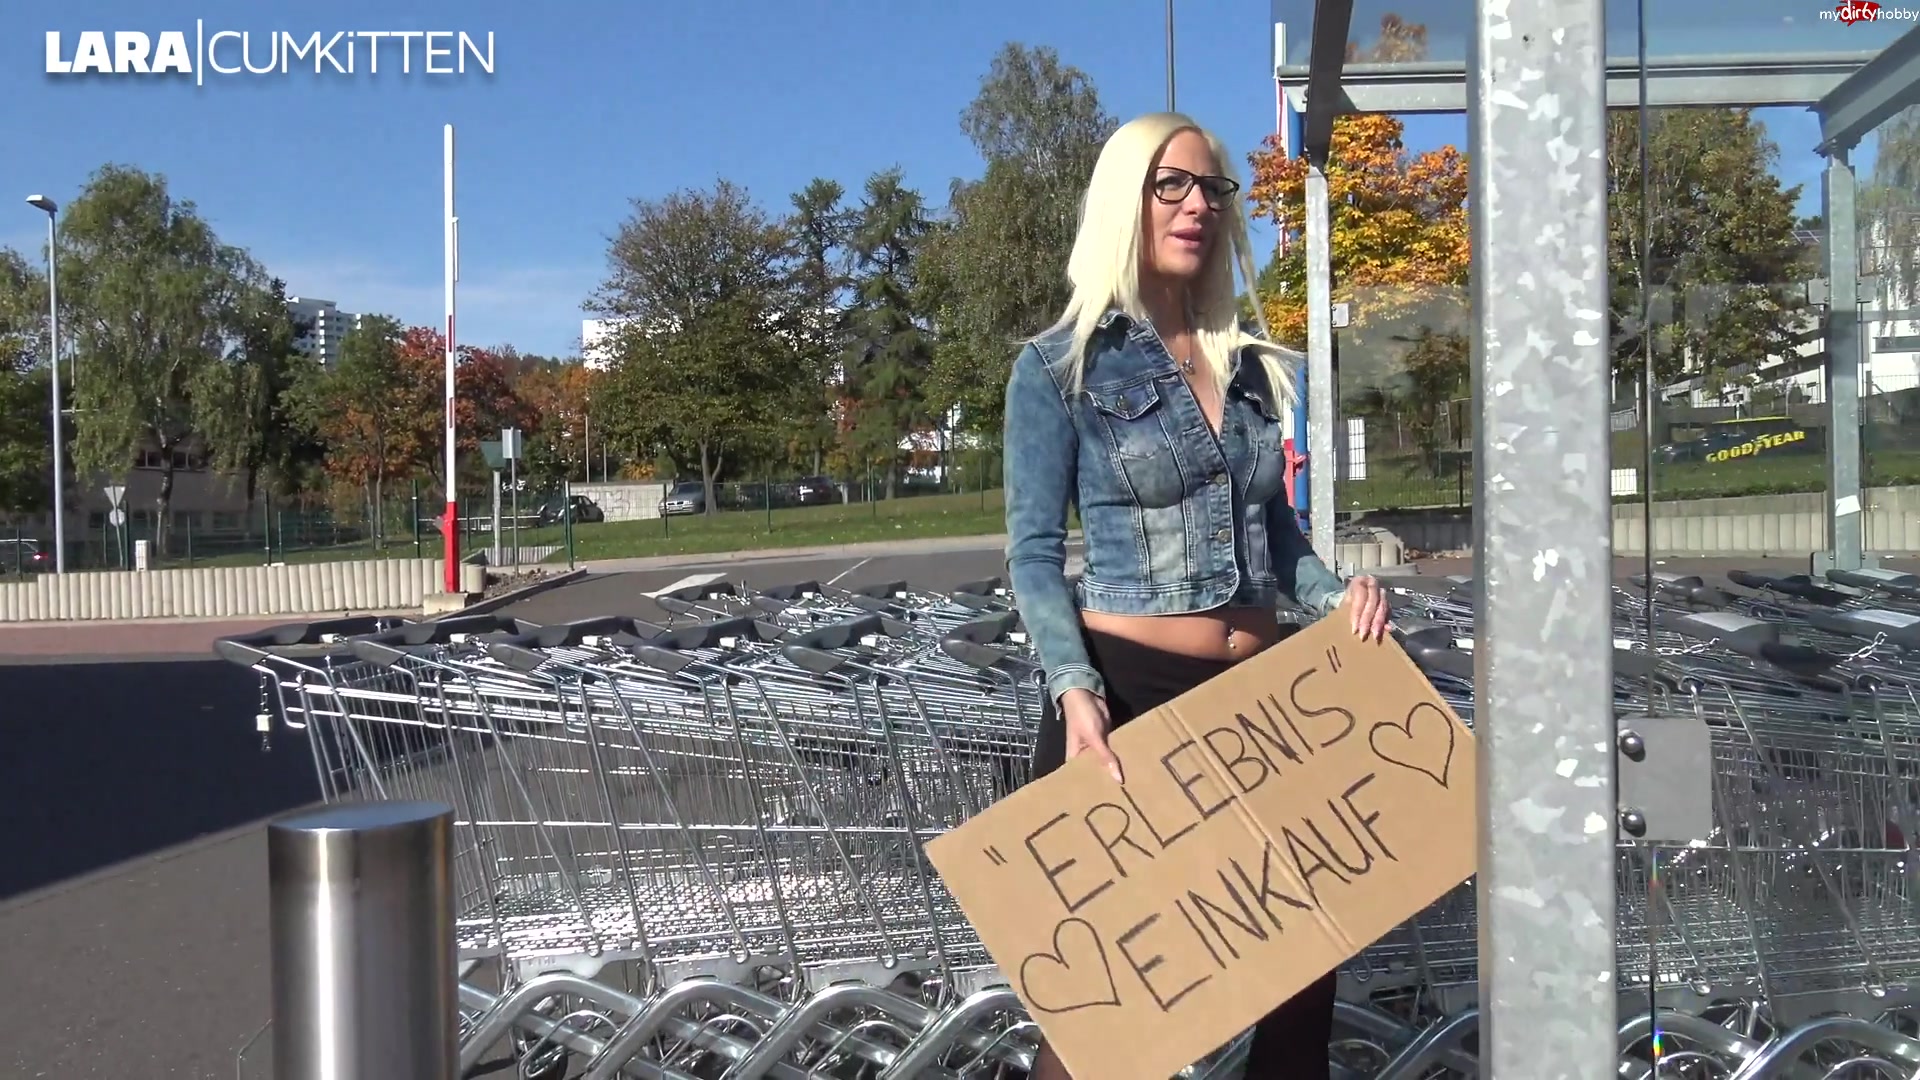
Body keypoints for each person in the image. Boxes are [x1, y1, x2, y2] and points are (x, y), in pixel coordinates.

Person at [999, 111, 1392, 1079]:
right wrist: (1074, 687)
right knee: (1112, 1015)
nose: (1196, 207)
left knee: (1301, 979)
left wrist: (1338, 596)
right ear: (1122, 202)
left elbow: (1277, 531)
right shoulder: (1058, 367)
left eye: (1212, 189)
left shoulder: (1246, 365)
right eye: (1168, 185)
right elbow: (1035, 555)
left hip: (1258, 707)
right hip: (1128, 700)